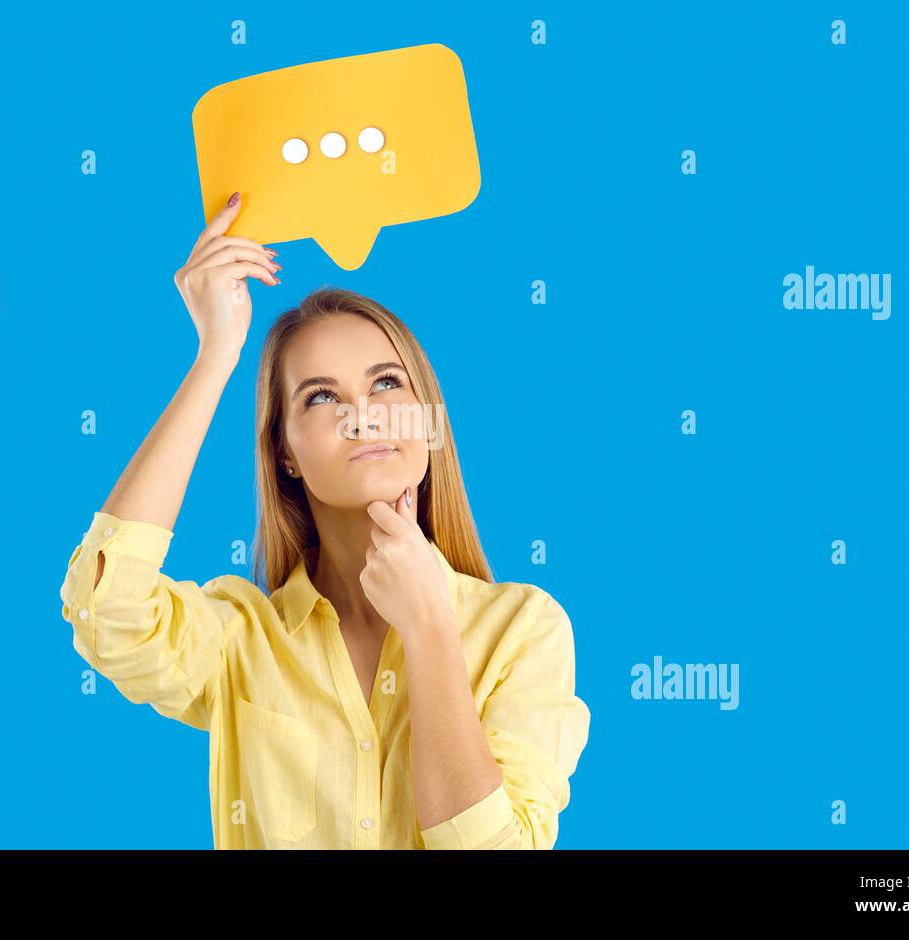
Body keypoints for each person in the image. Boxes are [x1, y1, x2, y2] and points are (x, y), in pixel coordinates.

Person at [59, 190, 590, 849]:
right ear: (285, 450)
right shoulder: (237, 641)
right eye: (320, 397)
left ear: (428, 423)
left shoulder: (523, 631)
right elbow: (105, 609)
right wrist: (217, 352)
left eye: (387, 384)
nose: (361, 415)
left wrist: (428, 629)